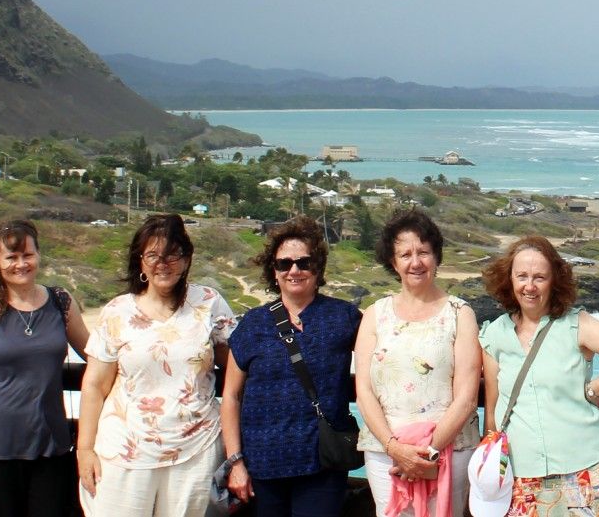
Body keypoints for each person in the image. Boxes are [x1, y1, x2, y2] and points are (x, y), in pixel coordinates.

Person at [477, 235, 599, 517]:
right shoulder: (493, 335)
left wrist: (593, 390)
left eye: (540, 277)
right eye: (521, 276)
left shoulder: (575, 324)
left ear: (554, 281)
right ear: (508, 279)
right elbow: (493, 409)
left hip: (586, 470)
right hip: (522, 475)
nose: (529, 286)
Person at [77, 213, 236, 517]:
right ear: (140, 261)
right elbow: (95, 385)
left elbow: (238, 366)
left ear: (186, 259)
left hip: (197, 448)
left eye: (172, 254)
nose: (162, 263)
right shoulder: (117, 312)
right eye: (152, 255)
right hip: (125, 451)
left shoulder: (208, 302)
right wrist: (85, 450)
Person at [220, 215, 363, 517]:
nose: (294, 270)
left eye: (303, 262)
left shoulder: (344, 317)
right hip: (263, 465)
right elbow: (230, 396)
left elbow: (381, 363)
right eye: (284, 264)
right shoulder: (252, 324)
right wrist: (236, 463)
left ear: (317, 267)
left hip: (322, 462)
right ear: (273, 271)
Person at [0, 217, 92, 517]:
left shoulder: (60, 302)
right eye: (11, 257)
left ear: (38, 255)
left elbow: (95, 355)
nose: (21, 264)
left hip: (51, 447)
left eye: (27, 255)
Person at [353, 207, 482, 516]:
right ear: (393, 262)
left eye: (423, 252)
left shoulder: (459, 314)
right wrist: (395, 448)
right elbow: (364, 392)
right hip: (386, 451)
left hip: (449, 450)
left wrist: (428, 452)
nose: (416, 262)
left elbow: (466, 397)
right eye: (405, 254)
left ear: (436, 256)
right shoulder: (374, 315)